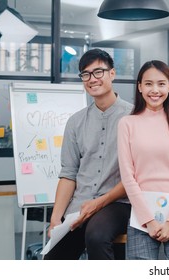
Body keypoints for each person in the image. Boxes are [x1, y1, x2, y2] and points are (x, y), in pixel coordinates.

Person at [45, 48, 133, 260]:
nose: (92, 79)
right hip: (80, 206)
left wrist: (99, 203)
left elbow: (136, 174)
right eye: (86, 74)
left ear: (112, 74)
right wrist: (56, 218)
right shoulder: (75, 122)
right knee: (52, 258)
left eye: (98, 72)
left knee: (96, 236)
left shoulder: (133, 117)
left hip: (118, 204)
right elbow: (68, 173)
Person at [117, 60, 169, 260]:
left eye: (161, 84)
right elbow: (128, 176)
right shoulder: (127, 124)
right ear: (140, 87)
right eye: (149, 83)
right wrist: (148, 220)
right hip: (142, 216)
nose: (155, 90)